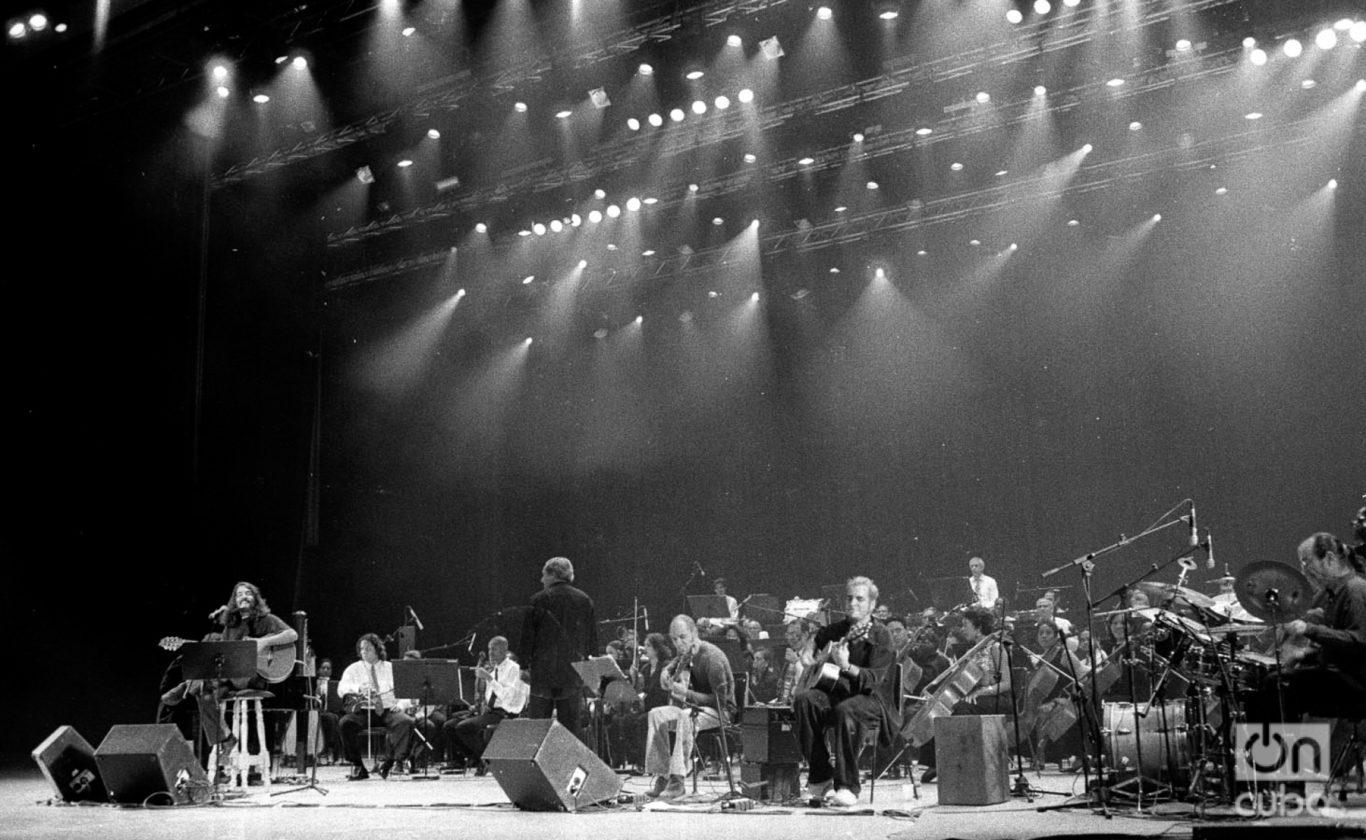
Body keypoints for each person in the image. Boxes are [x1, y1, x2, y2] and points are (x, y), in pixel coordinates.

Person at [793, 576, 899, 807]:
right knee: (804, 700)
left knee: (846, 710)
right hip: (837, 693)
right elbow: (817, 637)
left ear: (871, 605)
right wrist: (809, 650)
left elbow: (875, 680)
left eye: (859, 599)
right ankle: (821, 776)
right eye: (849, 598)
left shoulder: (881, 636)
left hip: (873, 699)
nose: (852, 603)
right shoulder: (839, 629)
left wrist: (847, 667)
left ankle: (847, 786)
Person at [1249, 533, 1366, 721]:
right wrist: (1304, 655)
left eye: (1307, 563)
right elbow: (1338, 645)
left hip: (1356, 684)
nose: (1305, 572)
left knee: (1278, 685)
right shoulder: (1336, 593)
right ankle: (1274, 747)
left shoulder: (1355, 590)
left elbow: (1358, 641)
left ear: (1329, 559)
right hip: (1344, 675)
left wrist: (1308, 629)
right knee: (1272, 684)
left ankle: (1278, 749)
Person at [194, 582, 299, 764]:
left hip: (253, 677)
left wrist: (264, 643)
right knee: (202, 692)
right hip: (231, 677)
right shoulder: (231, 625)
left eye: (248, 593)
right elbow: (226, 655)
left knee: (206, 681)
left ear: (255, 598)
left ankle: (183, 688)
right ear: (234, 601)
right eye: (239, 594)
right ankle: (226, 738)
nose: (244, 596)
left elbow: (292, 635)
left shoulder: (266, 619)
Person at [643, 615, 736, 801]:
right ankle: (662, 775)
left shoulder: (712, 657)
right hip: (694, 707)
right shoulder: (686, 654)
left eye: (683, 637)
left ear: (694, 633)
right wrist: (665, 671)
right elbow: (674, 663)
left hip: (720, 711)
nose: (679, 643)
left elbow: (720, 700)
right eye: (674, 639)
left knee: (685, 717)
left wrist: (685, 693)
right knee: (655, 714)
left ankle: (678, 780)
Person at [918, 606, 1012, 783]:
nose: (962, 629)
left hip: (997, 697)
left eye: (965, 625)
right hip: (976, 697)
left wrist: (983, 692)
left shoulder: (996, 647)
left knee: (960, 708)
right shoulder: (972, 650)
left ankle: (958, 762)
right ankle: (936, 761)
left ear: (978, 627)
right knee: (940, 707)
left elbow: (1007, 683)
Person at [523, 556, 597, 737]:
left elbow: (527, 638)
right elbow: (591, 641)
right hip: (572, 674)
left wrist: (524, 666)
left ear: (553, 574)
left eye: (543, 575)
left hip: (543, 674)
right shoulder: (584, 600)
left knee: (538, 731)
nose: (541, 580)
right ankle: (567, 766)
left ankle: (539, 766)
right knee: (570, 732)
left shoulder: (537, 600)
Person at [336, 633, 418, 780]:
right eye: (362, 649)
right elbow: (341, 689)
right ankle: (358, 766)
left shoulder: (391, 668)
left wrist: (401, 704)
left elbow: (406, 692)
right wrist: (359, 688)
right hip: (364, 710)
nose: (363, 652)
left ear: (378, 650)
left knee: (406, 722)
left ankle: (389, 762)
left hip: (387, 709)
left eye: (368, 649)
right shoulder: (353, 669)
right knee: (345, 723)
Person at [444, 636, 528, 773]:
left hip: (505, 712)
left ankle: (488, 760)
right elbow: (490, 695)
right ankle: (475, 758)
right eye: (489, 649)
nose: (490, 653)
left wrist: (489, 679)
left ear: (504, 650)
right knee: (449, 726)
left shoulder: (514, 669)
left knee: (465, 727)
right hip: (490, 711)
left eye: (494, 649)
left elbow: (509, 698)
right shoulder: (495, 669)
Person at [776, 620, 814, 705]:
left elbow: (810, 683)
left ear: (805, 635)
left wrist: (797, 662)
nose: (789, 638)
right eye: (788, 634)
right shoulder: (792, 655)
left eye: (793, 634)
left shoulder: (814, 655)